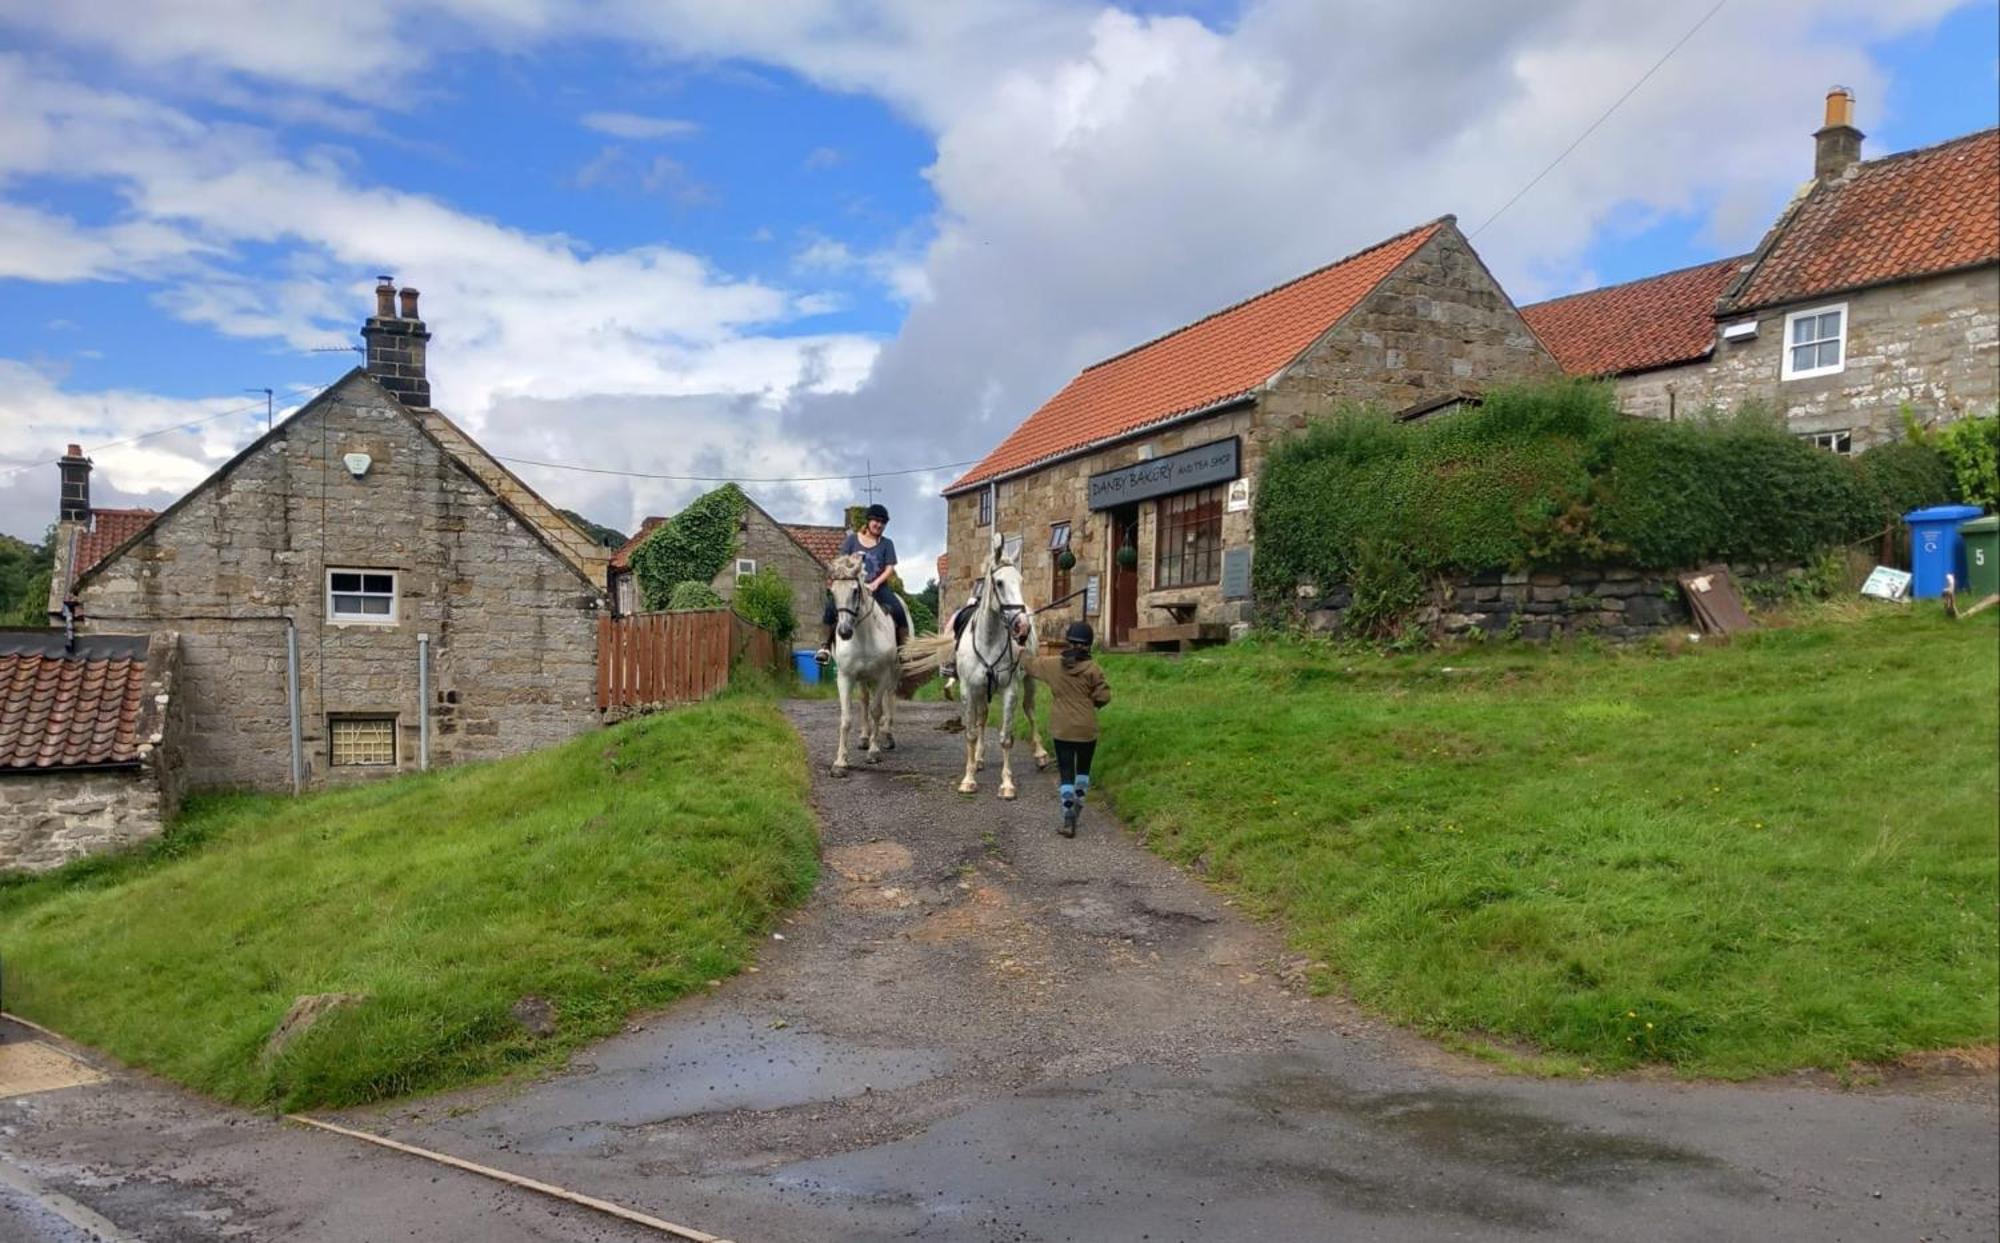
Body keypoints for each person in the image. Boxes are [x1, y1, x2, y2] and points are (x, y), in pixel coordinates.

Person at [1022, 620, 1112, 837]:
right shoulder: (1093, 669)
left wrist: (1020, 644)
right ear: (1088, 644)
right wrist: (1092, 703)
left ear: (1068, 642)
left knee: (1066, 773)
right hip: (1086, 729)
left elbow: (1029, 664)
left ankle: (1068, 817)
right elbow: (1104, 696)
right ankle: (1078, 805)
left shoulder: (1052, 665)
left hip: (1061, 728)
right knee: (1083, 770)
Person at [815, 503, 909, 664]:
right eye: (876, 521)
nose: (879, 525)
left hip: (877, 587)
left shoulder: (887, 544)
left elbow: (890, 568)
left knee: (899, 611)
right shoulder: (852, 541)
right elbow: (842, 562)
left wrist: (876, 583)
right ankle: (824, 647)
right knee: (831, 608)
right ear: (868, 521)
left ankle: (903, 651)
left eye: (883, 522)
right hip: (853, 587)